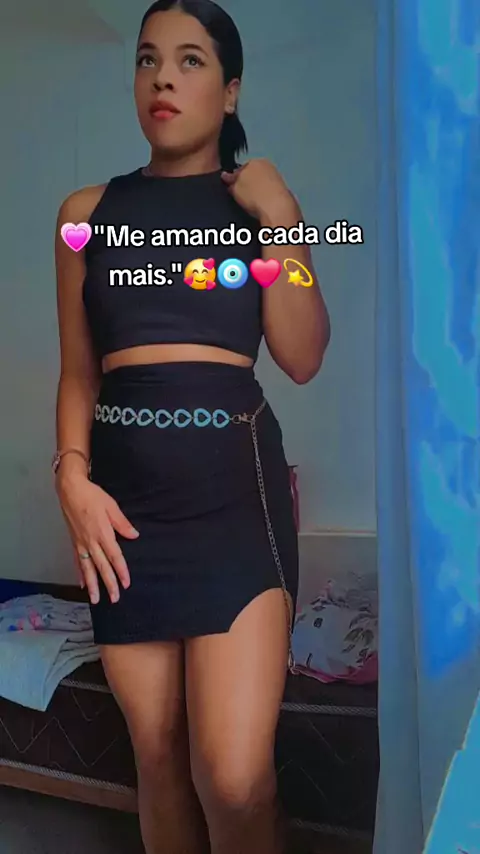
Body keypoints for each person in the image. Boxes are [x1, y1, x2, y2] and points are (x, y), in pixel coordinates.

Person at [53, 1, 330, 852]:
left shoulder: (258, 209)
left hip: (234, 506)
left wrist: (284, 222)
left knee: (235, 779)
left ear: (231, 89)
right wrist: (71, 478)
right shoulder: (84, 216)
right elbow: (78, 372)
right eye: (147, 59)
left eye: (189, 60)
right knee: (159, 760)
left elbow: (303, 353)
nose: (162, 78)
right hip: (125, 517)